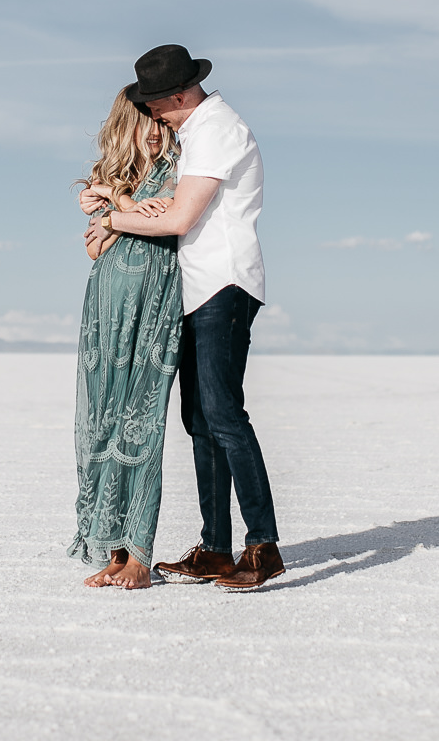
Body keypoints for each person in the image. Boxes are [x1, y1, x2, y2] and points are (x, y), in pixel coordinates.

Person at [83, 44, 283, 592]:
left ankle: (262, 545)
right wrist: (110, 200)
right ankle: (216, 549)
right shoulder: (196, 132)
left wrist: (113, 220)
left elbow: (181, 216)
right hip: (197, 289)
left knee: (223, 414)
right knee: (200, 421)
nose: (152, 116)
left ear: (179, 94)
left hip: (225, 282)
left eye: (155, 105)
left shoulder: (217, 128)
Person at [68, 89, 184, 589]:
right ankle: (113, 550)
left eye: (160, 122)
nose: (155, 132)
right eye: (145, 123)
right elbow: (95, 247)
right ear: (124, 126)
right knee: (102, 422)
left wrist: (117, 212)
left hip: (156, 302)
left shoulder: (181, 166)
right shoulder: (114, 178)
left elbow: (169, 223)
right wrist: (120, 205)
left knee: (142, 421)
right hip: (108, 307)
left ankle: (139, 552)